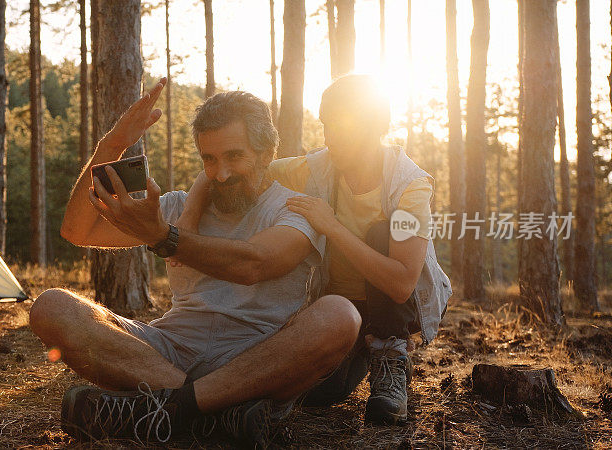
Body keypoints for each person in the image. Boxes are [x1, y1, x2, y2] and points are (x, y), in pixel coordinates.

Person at [28, 79, 362, 447]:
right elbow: (78, 229)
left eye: (235, 156)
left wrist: (164, 238)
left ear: (266, 153)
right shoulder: (176, 208)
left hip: (254, 361)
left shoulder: (295, 209)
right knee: (51, 307)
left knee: (340, 316)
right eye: (210, 159)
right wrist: (112, 145)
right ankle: (215, 414)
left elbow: (254, 264)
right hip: (166, 354)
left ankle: (170, 408)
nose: (221, 173)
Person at [177, 74, 452, 425]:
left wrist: (332, 226)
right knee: (324, 393)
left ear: (377, 126)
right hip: (337, 306)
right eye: (327, 124)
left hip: (396, 304)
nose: (332, 137)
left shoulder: (409, 186)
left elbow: (401, 282)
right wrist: (187, 217)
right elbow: (230, 168)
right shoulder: (315, 168)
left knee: (382, 232)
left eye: (345, 126)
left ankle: (390, 359)